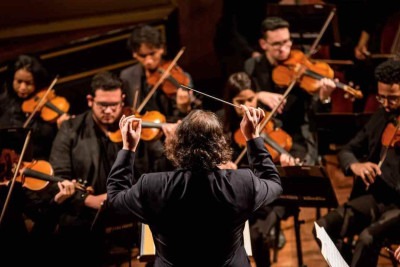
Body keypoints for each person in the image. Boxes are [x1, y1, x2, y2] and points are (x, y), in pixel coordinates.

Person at [106, 106, 282, 267]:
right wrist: (253, 138)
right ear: (220, 145)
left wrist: (128, 148)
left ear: (176, 145)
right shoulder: (242, 183)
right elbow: (273, 183)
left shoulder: (152, 186)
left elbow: (115, 197)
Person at [313, 59, 400, 267]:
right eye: (382, 98)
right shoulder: (382, 116)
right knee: (322, 228)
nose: (386, 104)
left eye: (394, 99)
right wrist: (355, 166)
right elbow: (348, 150)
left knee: (366, 239)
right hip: (376, 197)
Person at [48, 71, 135, 266]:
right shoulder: (70, 129)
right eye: (102, 105)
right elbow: (59, 176)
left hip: (126, 212)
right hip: (83, 215)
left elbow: (147, 170)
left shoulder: (131, 126)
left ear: (122, 100)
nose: (109, 111)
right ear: (90, 100)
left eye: (114, 105)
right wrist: (87, 199)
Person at [217, 71, 298, 267]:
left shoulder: (267, 120)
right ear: (230, 100)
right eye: (240, 101)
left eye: (251, 99)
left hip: (266, 199)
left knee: (257, 236)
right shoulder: (221, 125)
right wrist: (221, 166)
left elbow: (272, 171)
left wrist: (283, 162)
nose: (247, 106)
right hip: (235, 199)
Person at [244, 16, 336, 165]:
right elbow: (240, 101)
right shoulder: (252, 66)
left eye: (287, 41)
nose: (284, 49)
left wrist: (324, 97)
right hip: (266, 134)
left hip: (298, 136)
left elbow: (315, 113)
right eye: (276, 44)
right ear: (263, 44)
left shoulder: (301, 66)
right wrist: (258, 95)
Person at [120, 24, 202, 176]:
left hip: (171, 139)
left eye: (152, 54)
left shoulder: (179, 76)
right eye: (142, 56)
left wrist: (184, 108)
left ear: (162, 49)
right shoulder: (127, 77)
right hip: (141, 143)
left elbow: (191, 117)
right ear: (134, 55)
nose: (149, 61)